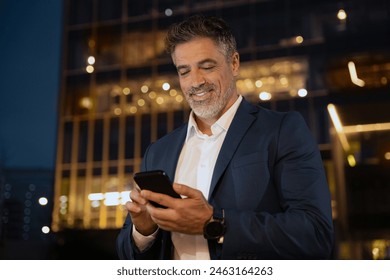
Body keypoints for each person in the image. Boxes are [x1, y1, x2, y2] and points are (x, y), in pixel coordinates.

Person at [116, 15, 334, 260]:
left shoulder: (282, 130)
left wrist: (214, 223)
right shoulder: (158, 151)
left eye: (207, 67)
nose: (195, 81)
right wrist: (145, 230)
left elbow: (315, 234)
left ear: (234, 63)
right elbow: (127, 256)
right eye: (184, 71)